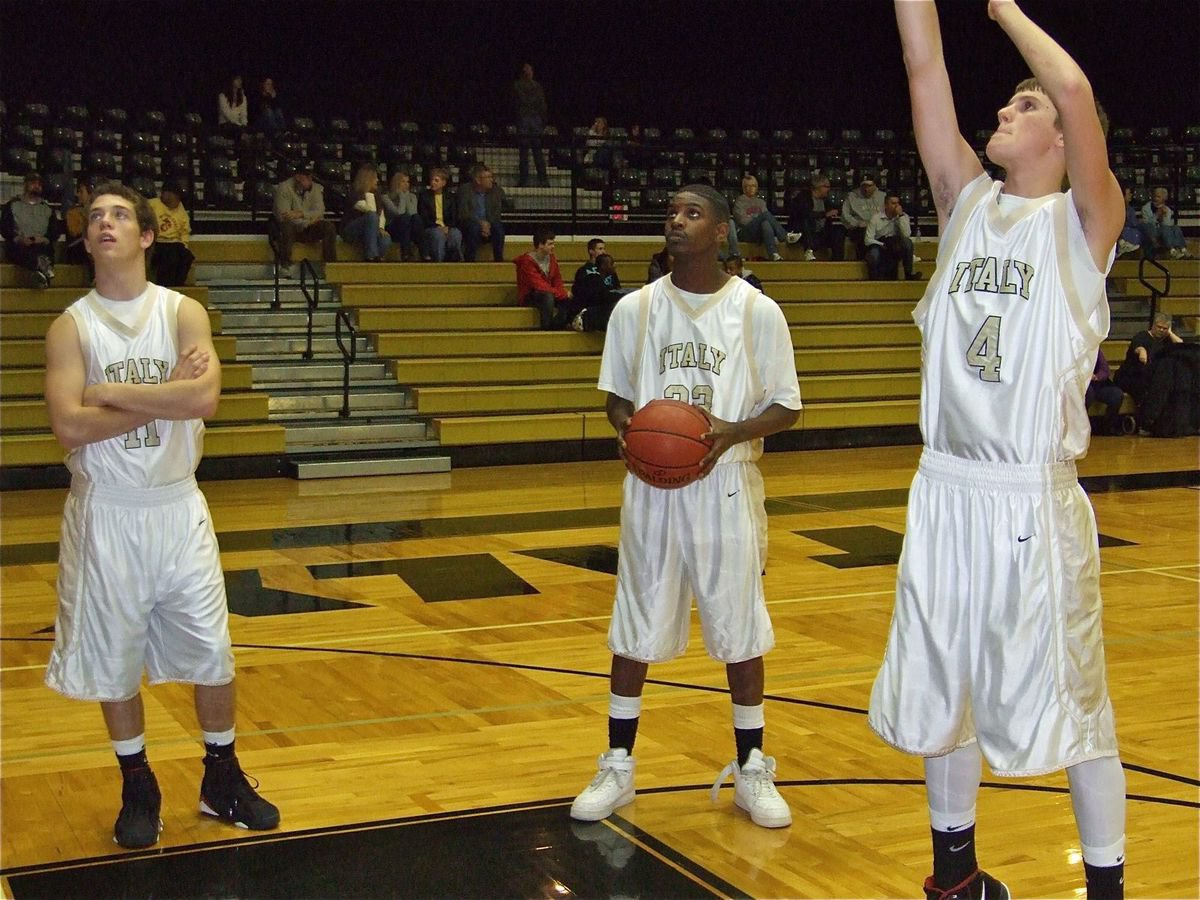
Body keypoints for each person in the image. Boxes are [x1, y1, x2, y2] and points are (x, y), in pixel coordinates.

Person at [868, 3, 1129, 900]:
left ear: (1061, 141)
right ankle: (957, 879)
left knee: (1075, 704)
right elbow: (922, 65)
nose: (1008, 112)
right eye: (1008, 106)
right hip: (945, 488)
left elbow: (1074, 86)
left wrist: (1005, 9)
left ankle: (1106, 889)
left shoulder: (1085, 224)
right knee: (947, 692)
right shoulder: (963, 203)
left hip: (1031, 496)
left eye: (1025, 108)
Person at [43, 181, 280, 850]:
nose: (107, 224)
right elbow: (68, 423)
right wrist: (165, 392)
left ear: (148, 235)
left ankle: (221, 775)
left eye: (120, 215)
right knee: (114, 662)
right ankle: (137, 782)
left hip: (178, 505)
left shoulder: (182, 312)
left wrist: (113, 392)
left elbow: (204, 400)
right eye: (96, 218)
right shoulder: (72, 326)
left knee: (212, 650)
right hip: (108, 513)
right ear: (86, 240)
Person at [569, 183, 802, 830]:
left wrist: (729, 431)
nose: (676, 220)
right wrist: (630, 431)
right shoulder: (634, 310)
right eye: (671, 210)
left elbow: (786, 407)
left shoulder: (757, 312)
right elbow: (616, 397)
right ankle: (618, 763)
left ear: (722, 230)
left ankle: (753, 767)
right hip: (651, 489)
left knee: (740, 631)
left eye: (692, 212)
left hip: (725, 483)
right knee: (633, 627)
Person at [271, 162, 338, 276]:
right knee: (287, 226)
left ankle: (330, 264)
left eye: (310, 176)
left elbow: (320, 210)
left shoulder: (316, 188)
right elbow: (283, 215)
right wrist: (306, 221)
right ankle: (285, 264)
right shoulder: (284, 188)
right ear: (297, 176)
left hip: (308, 226)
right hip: (292, 227)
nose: (309, 179)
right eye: (306, 176)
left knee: (328, 227)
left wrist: (301, 214)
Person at [1, 171, 63, 287]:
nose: (36, 186)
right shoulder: (12, 205)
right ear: (25, 185)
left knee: (45, 251)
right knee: (24, 252)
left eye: (39, 184)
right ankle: (42, 268)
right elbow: (5, 228)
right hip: (20, 245)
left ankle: (39, 273)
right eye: (33, 183)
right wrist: (18, 238)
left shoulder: (47, 208)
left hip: (41, 244)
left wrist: (44, 239)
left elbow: (54, 231)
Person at [1114, 311, 1182, 405]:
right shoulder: (1142, 336)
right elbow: (1138, 348)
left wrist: (1170, 333)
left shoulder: (1166, 340)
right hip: (1130, 376)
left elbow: (1180, 344)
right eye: (1159, 327)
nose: (1161, 330)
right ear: (1153, 325)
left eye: (1164, 328)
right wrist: (1142, 352)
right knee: (1147, 388)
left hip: (1151, 378)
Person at [514, 225, 569, 329]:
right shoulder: (527, 261)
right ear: (540, 245)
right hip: (530, 295)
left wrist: (563, 293)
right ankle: (546, 328)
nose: (553, 246)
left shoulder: (551, 258)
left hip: (549, 292)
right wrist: (561, 294)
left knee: (567, 300)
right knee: (547, 297)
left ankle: (558, 324)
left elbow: (557, 280)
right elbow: (538, 285)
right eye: (550, 244)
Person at [568, 252, 633, 332]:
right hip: (582, 317)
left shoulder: (598, 279)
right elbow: (603, 297)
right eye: (611, 263)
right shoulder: (593, 279)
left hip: (588, 315)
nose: (614, 266)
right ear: (603, 266)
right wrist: (625, 296)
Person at [786, 176, 845, 262]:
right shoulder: (803, 197)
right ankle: (809, 250)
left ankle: (838, 261)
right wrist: (825, 214)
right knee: (807, 221)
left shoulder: (825, 201)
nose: (829, 189)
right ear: (818, 187)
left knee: (838, 231)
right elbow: (805, 214)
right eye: (826, 186)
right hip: (804, 233)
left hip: (820, 233)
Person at [864, 192, 922, 281]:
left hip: (896, 243)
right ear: (886, 205)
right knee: (874, 254)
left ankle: (909, 273)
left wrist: (900, 216)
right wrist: (882, 244)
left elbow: (907, 234)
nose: (896, 206)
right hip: (879, 244)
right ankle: (874, 279)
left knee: (908, 242)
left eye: (898, 203)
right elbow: (868, 240)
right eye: (893, 203)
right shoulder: (876, 218)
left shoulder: (904, 216)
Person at [341, 163, 392, 262]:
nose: (377, 181)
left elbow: (381, 214)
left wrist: (381, 228)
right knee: (371, 216)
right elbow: (368, 209)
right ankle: (371, 255)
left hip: (370, 231)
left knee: (385, 238)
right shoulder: (354, 193)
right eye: (375, 178)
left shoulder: (377, 195)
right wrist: (368, 194)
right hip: (351, 229)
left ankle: (374, 263)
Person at [148, 180, 195, 287]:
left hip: (174, 243)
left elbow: (185, 230)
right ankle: (164, 286)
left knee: (187, 257)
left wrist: (185, 245)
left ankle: (178, 284)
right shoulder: (152, 205)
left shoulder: (180, 208)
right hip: (156, 242)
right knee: (169, 257)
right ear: (165, 194)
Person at [457, 163, 506, 262]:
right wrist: (480, 223)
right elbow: (463, 212)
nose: (491, 180)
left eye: (491, 177)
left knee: (498, 227)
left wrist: (487, 224)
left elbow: (496, 212)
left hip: (489, 224)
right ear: (478, 180)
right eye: (488, 177)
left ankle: (498, 259)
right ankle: (469, 260)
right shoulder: (465, 190)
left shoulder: (496, 191)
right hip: (470, 224)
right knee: (474, 227)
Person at [733, 175, 787, 261]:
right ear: (744, 188)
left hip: (759, 233)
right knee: (764, 216)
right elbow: (743, 221)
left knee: (765, 223)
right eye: (748, 186)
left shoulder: (761, 202)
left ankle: (773, 254)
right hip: (745, 232)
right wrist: (758, 220)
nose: (751, 188)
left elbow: (766, 220)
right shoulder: (739, 202)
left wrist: (758, 220)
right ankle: (784, 236)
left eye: (753, 186)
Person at [513, 62, 549, 187]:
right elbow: (542, 104)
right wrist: (542, 120)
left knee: (526, 152)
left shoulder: (518, 85)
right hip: (532, 120)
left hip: (527, 120)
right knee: (534, 152)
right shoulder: (534, 86)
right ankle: (542, 179)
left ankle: (527, 179)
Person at [416, 167, 463, 262]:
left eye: (436, 180)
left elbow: (454, 216)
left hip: (447, 227)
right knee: (438, 235)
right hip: (431, 227)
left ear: (443, 183)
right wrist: (438, 227)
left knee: (455, 234)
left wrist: (448, 227)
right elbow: (424, 217)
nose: (433, 182)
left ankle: (453, 259)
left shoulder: (451, 197)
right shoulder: (424, 196)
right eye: (431, 180)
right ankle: (439, 262)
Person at [841, 174, 886, 259]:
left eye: (869, 186)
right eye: (864, 186)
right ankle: (863, 259)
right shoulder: (852, 196)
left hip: (879, 228)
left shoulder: (883, 197)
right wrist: (857, 223)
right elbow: (845, 216)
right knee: (863, 235)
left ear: (875, 186)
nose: (866, 189)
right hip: (859, 228)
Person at [1138, 188, 1190, 259]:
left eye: (1159, 197)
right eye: (1155, 196)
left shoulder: (1167, 210)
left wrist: (1163, 216)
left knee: (1175, 227)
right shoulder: (1146, 208)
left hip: (1164, 231)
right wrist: (1157, 215)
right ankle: (1172, 250)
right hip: (1152, 231)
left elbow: (1167, 224)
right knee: (1165, 229)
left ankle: (1183, 249)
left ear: (1164, 199)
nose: (1156, 199)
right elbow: (1148, 224)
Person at [382, 169, 421, 262]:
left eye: (407, 182)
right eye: (403, 181)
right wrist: (402, 196)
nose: (406, 184)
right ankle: (406, 252)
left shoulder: (412, 196)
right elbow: (399, 213)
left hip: (409, 227)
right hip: (393, 227)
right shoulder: (386, 197)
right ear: (396, 183)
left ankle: (421, 251)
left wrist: (406, 196)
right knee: (404, 218)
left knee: (416, 218)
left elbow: (412, 213)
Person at [1085, 349, 1126, 435]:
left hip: (1097, 384)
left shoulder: (1095, 349)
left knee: (1116, 394)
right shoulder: (1072, 348)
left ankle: (1108, 427)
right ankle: (1083, 427)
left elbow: (1105, 370)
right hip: (1080, 385)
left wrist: (1096, 376)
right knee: (1089, 394)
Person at [64, 176, 94, 280]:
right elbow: (74, 232)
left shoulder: (100, 213)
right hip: (76, 247)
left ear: (90, 194)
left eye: (81, 192)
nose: (78, 195)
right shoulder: (73, 213)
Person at [1115, 184, 1141, 258]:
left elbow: (1134, 223)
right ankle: (1121, 245)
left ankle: (1129, 245)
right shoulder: (1115, 208)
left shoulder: (1130, 209)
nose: (1131, 195)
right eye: (1129, 194)